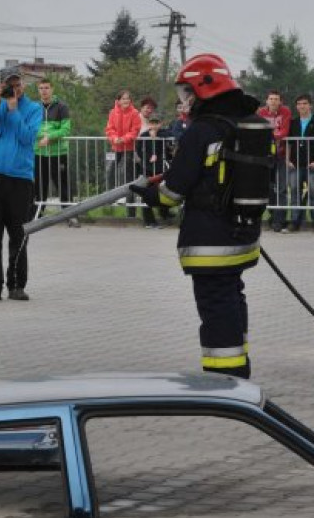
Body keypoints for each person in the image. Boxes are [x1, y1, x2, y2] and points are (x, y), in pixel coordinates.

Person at [131, 53, 270, 379]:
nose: (185, 102)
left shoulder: (202, 131)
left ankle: (225, 382)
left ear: (206, 89)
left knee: (216, 306)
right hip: (242, 234)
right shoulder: (246, 124)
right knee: (232, 299)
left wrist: (150, 194)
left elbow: (171, 194)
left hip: (209, 241)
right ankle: (240, 369)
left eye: (188, 93)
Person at [0, 71, 43, 302]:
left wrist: (14, 110)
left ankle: (16, 285)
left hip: (20, 180)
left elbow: (27, 138)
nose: (14, 89)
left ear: (23, 85)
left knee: (18, 234)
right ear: (1, 86)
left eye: (17, 84)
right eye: (9, 85)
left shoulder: (33, 109)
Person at [33, 79, 78, 227]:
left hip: (58, 153)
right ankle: (37, 215)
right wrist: (40, 137)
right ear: (38, 90)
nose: (44, 91)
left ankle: (71, 215)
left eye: (46, 88)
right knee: (39, 186)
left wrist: (50, 137)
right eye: (41, 88)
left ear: (52, 89)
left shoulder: (62, 106)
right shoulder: (34, 108)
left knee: (63, 185)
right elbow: (31, 127)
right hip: (39, 152)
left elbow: (66, 129)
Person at [258, 90, 291, 232]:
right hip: (266, 157)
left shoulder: (285, 112)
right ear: (266, 101)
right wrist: (273, 136)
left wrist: (269, 135)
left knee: (282, 189)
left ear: (280, 101)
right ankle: (273, 216)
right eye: (271, 99)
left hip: (282, 156)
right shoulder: (261, 113)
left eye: (276, 99)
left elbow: (284, 132)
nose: (273, 101)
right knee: (268, 188)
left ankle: (280, 220)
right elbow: (259, 131)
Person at [105, 89, 142, 217]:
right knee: (109, 171)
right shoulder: (112, 112)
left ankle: (131, 212)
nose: (126, 100)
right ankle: (110, 200)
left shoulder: (135, 113)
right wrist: (115, 138)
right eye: (123, 98)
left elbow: (135, 130)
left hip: (129, 148)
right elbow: (109, 129)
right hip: (115, 147)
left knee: (128, 178)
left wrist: (123, 139)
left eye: (128, 98)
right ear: (118, 100)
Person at [135, 115, 173, 229]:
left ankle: (164, 213)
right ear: (148, 124)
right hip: (148, 168)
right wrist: (147, 158)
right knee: (146, 192)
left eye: (156, 123)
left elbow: (170, 138)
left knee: (165, 190)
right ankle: (149, 221)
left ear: (160, 124)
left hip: (162, 168)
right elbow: (139, 150)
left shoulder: (164, 133)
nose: (154, 125)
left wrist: (156, 137)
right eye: (152, 123)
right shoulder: (144, 136)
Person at [285, 93, 314, 232]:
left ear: (310, 105)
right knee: (295, 192)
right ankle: (295, 222)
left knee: (313, 191)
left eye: (305, 103)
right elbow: (289, 144)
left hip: (312, 165)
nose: (302, 106)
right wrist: (287, 159)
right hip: (295, 164)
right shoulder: (293, 122)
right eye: (299, 104)